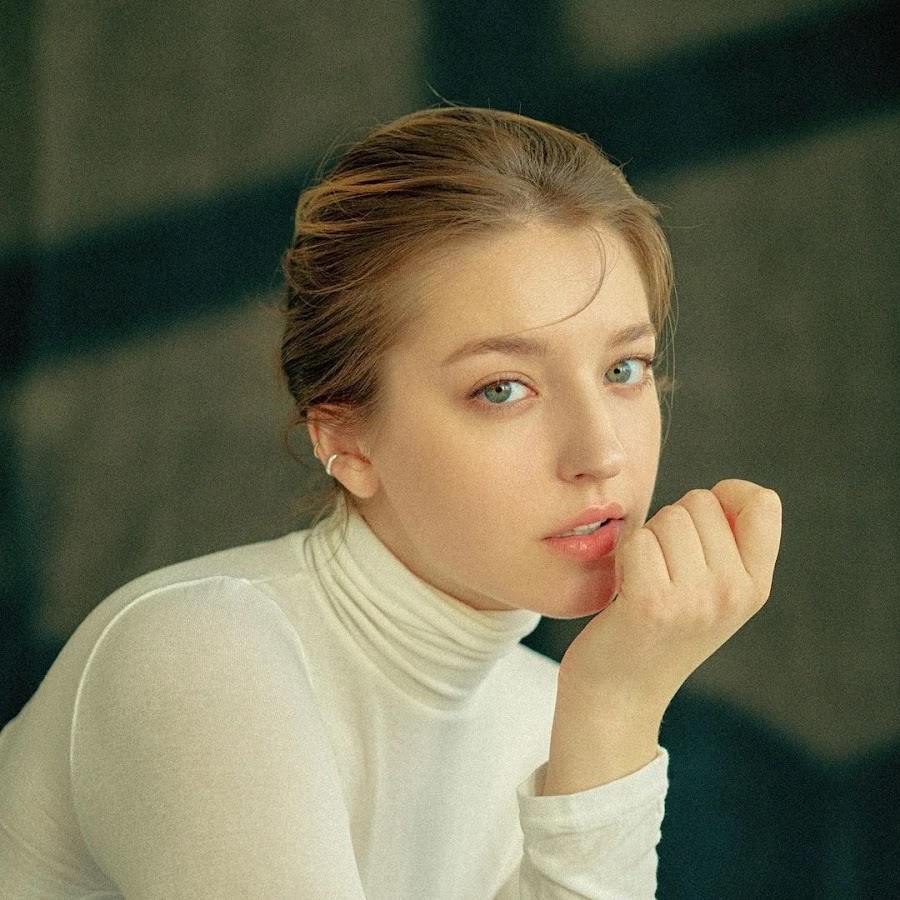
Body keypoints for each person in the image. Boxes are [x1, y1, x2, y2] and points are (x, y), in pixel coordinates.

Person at [0, 106, 782, 898]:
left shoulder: (548, 714)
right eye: (502, 389)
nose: (601, 454)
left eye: (623, 369)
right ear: (346, 439)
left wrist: (607, 715)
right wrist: (613, 709)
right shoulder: (199, 654)